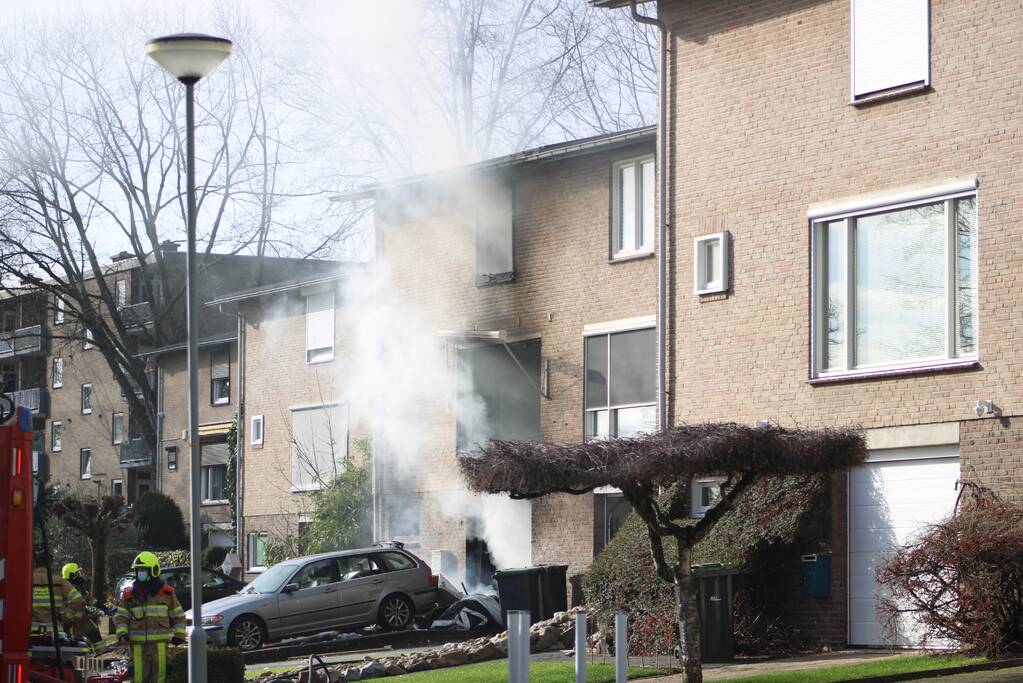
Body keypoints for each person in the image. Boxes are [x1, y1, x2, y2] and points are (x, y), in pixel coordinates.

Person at [114, 552, 186, 683]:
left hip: (159, 649)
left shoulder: (167, 593)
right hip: (137, 648)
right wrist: (122, 633)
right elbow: (121, 617)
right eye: (138, 570)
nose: (140, 573)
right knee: (138, 678)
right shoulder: (129, 594)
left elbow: (179, 616)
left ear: (153, 571)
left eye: (143, 570)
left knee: (160, 678)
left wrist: (179, 635)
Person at [31, 551, 86, 636]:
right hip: (55, 633)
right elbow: (78, 600)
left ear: (35, 564)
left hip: (30, 632)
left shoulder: (25, 581)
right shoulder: (59, 582)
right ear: (50, 565)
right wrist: (64, 617)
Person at [61, 563, 102, 642]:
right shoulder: (66, 588)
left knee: (93, 631)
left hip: (80, 618)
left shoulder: (79, 587)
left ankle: (100, 650)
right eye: (77, 573)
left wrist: (101, 605)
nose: (80, 576)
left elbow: (88, 599)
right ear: (71, 575)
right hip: (70, 622)